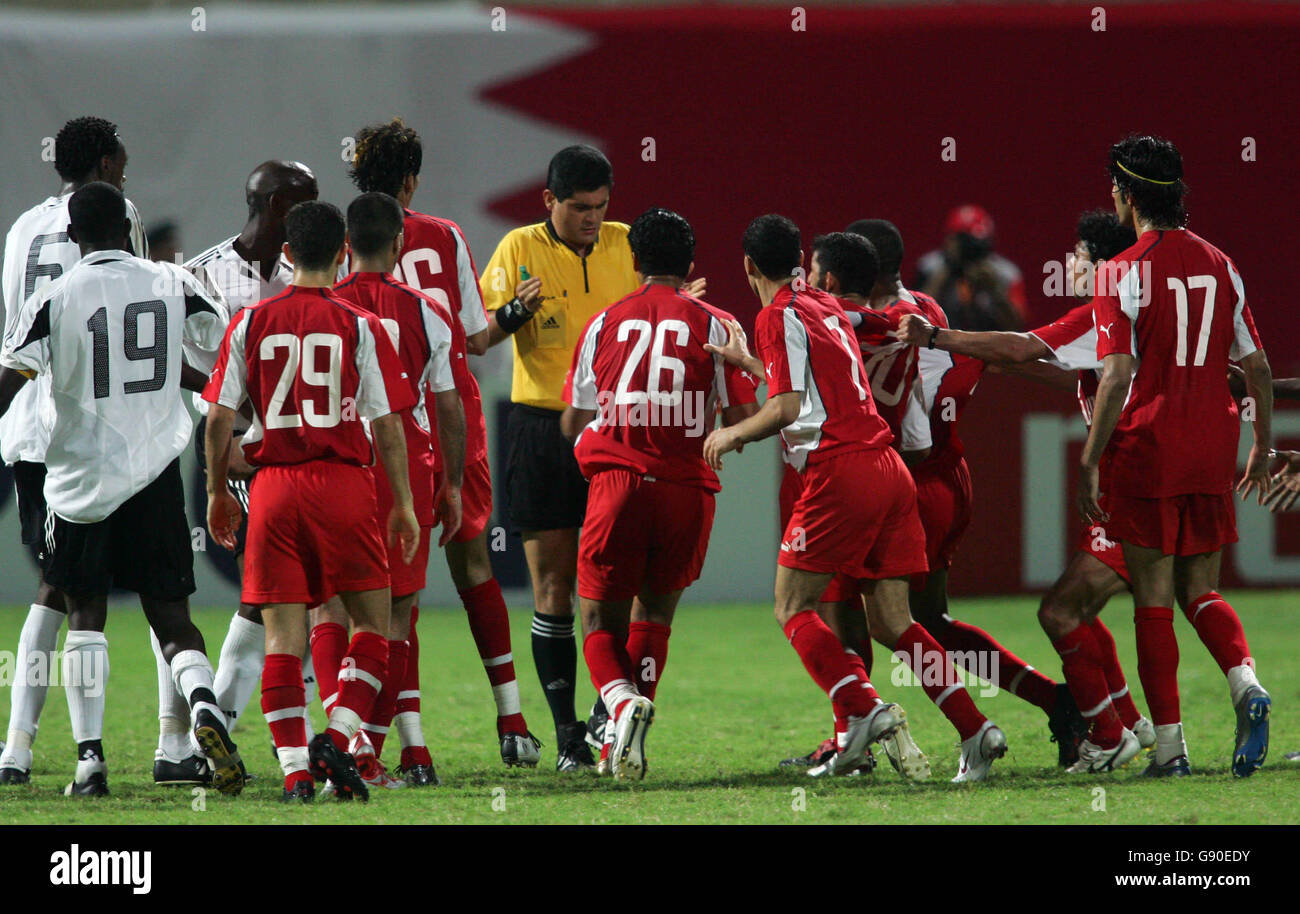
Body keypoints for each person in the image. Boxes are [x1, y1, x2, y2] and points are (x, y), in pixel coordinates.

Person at [704, 214, 1006, 781]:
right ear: (797, 259)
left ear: (747, 266)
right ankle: (974, 729)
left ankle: (862, 711)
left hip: (841, 470)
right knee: (894, 622)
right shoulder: (823, 304)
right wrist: (753, 364)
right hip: (890, 469)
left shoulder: (775, 313)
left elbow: (790, 408)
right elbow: (831, 367)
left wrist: (732, 432)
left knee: (792, 606)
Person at [0, 182, 241, 797]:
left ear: (75, 236)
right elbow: (221, 342)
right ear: (128, 228)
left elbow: (11, 380)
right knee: (172, 615)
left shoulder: (55, 296)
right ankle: (204, 701)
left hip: (82, 479)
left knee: (84, 612)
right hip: (157, 470)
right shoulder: (171, 281)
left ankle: (89, 763)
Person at [896, 212, 1157, 769]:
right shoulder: (1140, 313)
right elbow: (1062, 370)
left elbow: (1022, 344)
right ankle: (1130, 723)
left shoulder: (1101, 313)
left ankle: (1116, 735)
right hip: (1149, 476)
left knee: (1065, 611)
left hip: (1137, 480)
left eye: (1076, 256)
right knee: (1125, 605)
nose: (1068, 265)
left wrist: (942, 337)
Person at [202, 200, 420, 802]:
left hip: (273, 489)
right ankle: (342, 735)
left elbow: (219, 419)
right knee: (374, 626)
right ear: (344, 250)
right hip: (343, 486)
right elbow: (390, 425)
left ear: (287, 254)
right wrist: (401, 502)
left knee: (281, 641)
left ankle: (296, 772)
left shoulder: (251, 321)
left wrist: (217, 490)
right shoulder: (360, 325)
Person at [1078, 135, 1273, 776]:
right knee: (1202, 588)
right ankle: (1246, 683)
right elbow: (1258, 367)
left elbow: (1115, 375)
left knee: (1154, 599)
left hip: (1151, 444)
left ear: (1129, 194)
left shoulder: (1120, 270)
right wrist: (1261, 447)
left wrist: (1090, 457)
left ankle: (1170, 749)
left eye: (1113, 188)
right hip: (1213, 441)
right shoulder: (1223, 262)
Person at [348, 119, 538, 768]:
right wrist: (515, 314)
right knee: (474, 567)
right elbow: (473, 338)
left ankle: (410, 746)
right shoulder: (446, 236)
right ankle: (512, 721)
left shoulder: (340, 245)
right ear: (411, 181)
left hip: (379, 430)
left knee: (391, 593)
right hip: (452, 422)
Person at [558, 207, 758, 778]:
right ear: (690, 262)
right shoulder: (720, 325)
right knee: (655, 618)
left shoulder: (604, 322)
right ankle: (623, 739)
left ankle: (619, 708)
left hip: (619, 485)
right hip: (687, 488)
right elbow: (745, 416)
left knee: (598, 621)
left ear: (633, 261)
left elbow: (575, 421)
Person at [479, 145, 647, 770]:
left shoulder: (627, 244)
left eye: (601, 207)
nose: (592, 219)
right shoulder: (518, 248)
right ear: (547, 201)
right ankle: (569, 734)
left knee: (612, 585)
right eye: (580, 208)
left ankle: (611, 715)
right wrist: (515, 310)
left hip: (614, 429)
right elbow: (480, 337)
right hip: (541, 426)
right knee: (553, 585)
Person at [0, 117, 149, 785]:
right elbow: (135, 301)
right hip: (97, 430)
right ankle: (89, 755)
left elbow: (13, 330)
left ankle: (17, 752)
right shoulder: (120, 215)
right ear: (106, 163)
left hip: (32, 428)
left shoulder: (22, 229)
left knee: (56, 588)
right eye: (120, 155)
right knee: (83, 594)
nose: (126, 165)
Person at [316, 191, 466, 789]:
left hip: (339, 470)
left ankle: (347, 744)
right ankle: (371, 751)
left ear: (346, 246)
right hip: (407, 472)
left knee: (330, 606)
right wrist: (452, 483)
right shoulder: (428, 310)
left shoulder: (323, 307)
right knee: (395, 615)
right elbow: (449, 406)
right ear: (401, 243)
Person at [184, 162, 321, 757]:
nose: (318, 208)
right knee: (275, 589)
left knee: (285, 589)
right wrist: (232, 433)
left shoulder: (313, 269)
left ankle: (212, 728)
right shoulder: (201, 277)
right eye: (307, 199)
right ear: (277, 206)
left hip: (302, 447)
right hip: (239, 451)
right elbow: (187, 370)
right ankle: (225, 728)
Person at [915, 205, 1026, 331]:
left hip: (988, 344)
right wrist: (947, 271)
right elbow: (916, 317)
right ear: (950, 239)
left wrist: (995, 290)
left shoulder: (1006, 273)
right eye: (965, 241)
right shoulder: (930, 267)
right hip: (940, 343)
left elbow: (1017, 326)